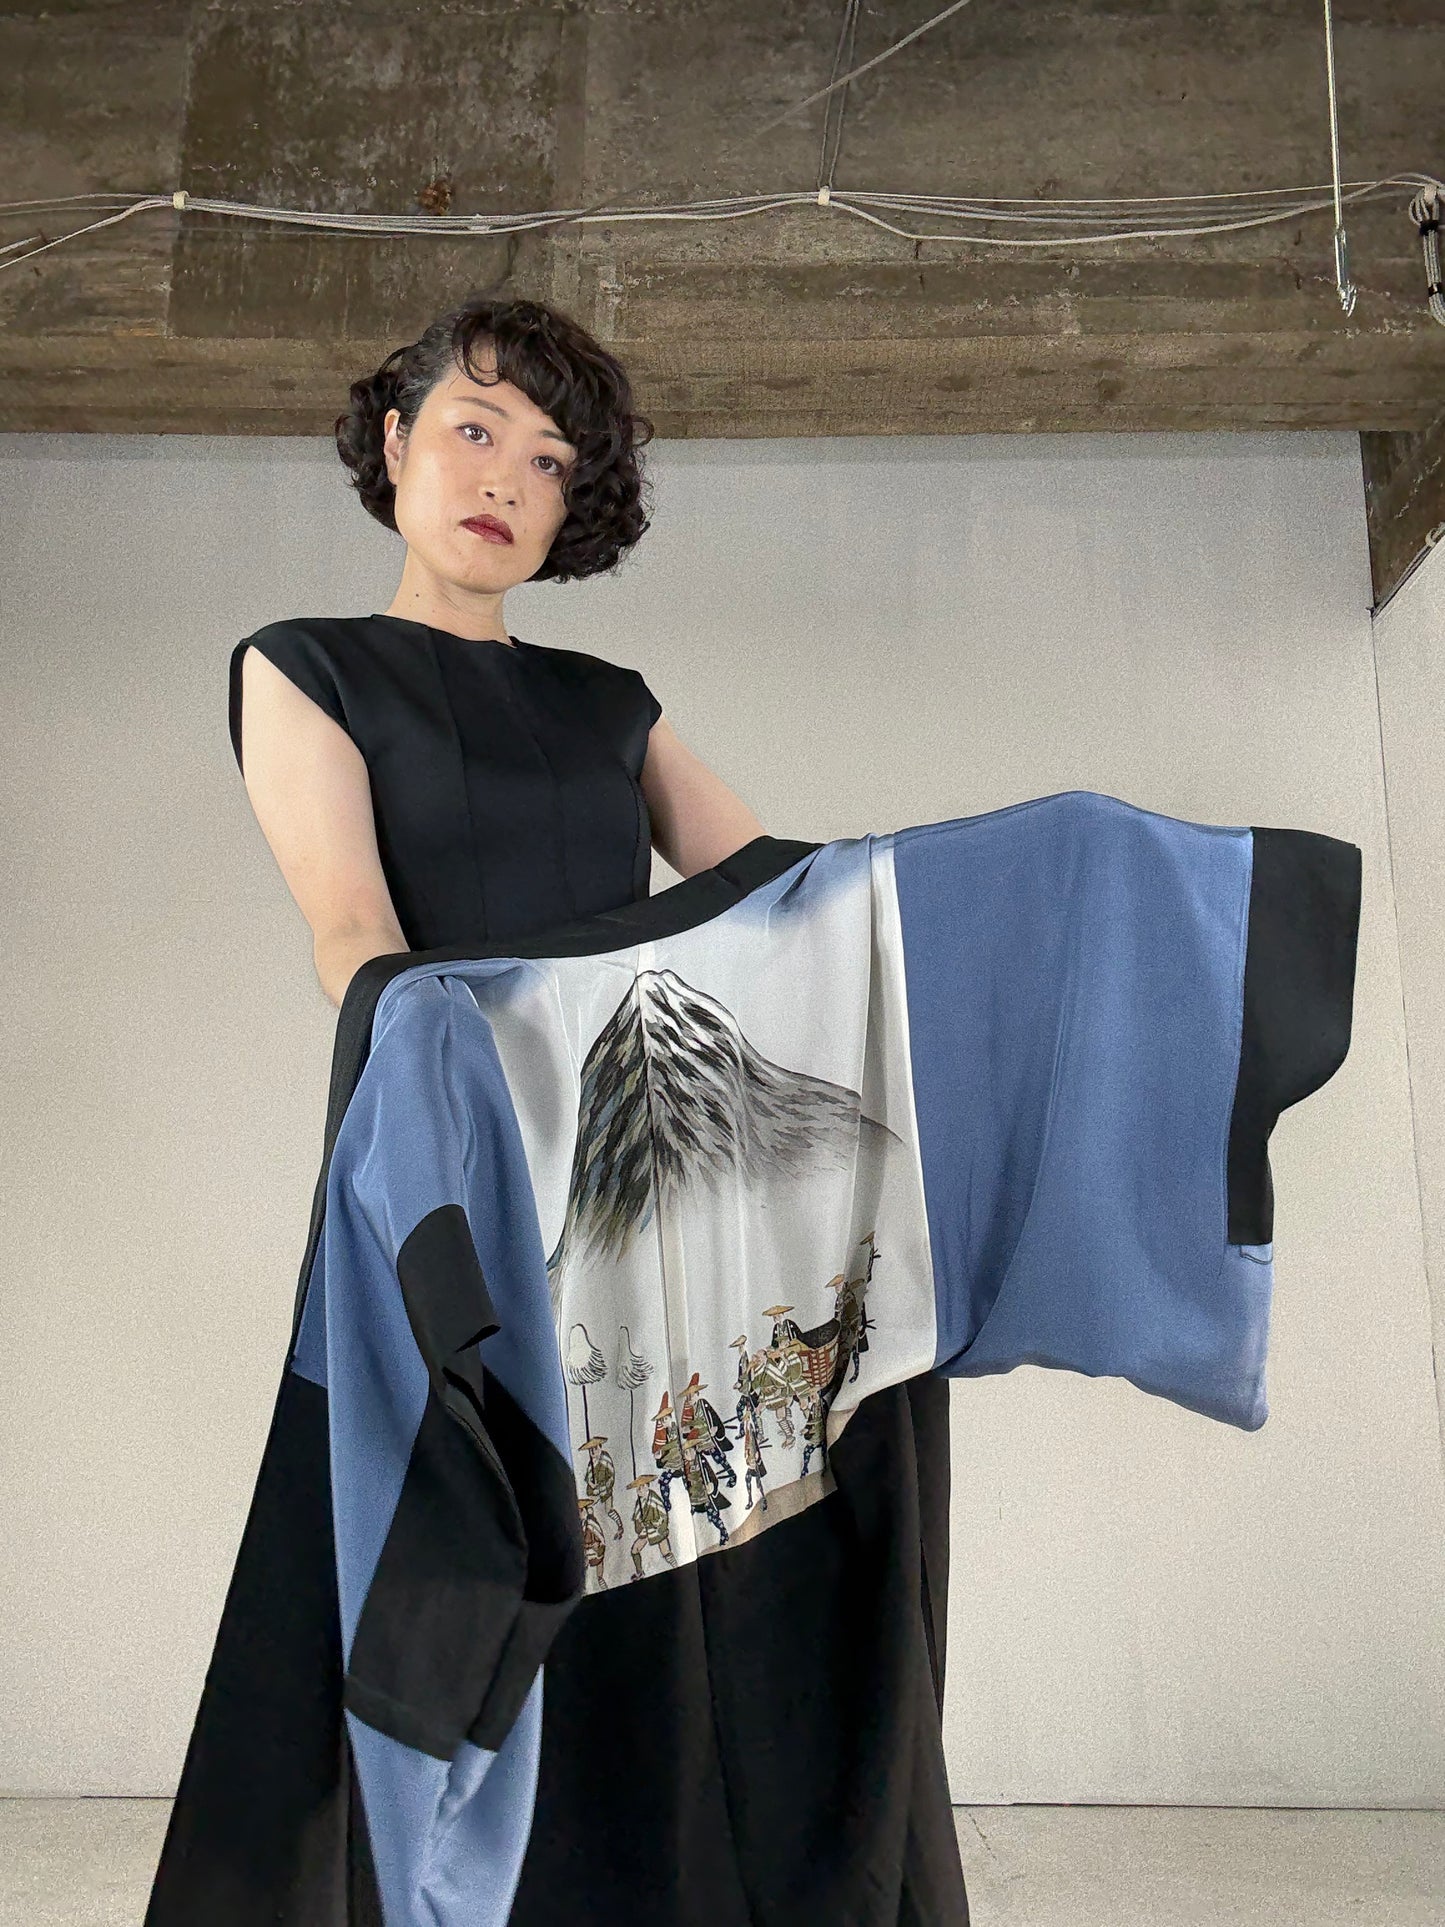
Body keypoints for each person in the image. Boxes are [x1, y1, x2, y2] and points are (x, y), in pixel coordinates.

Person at [150, 292, 964, 1925]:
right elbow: (350, 930)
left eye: (546, 462)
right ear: (395, 442)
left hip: (638, 1192)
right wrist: (459, 1066)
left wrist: (966, 912)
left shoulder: (609, 703)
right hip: (452, 1151)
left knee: (668, 1563)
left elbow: (777, 896)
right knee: (455, 1546)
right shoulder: (303, 668)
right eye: (473, 431)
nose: (503, 481)